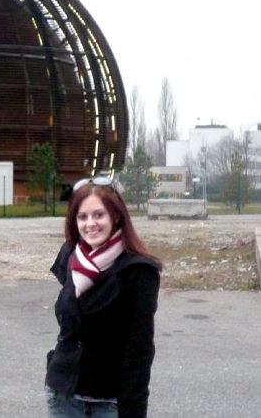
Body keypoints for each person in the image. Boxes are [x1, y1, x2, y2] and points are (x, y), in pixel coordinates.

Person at [45, 177, 162, 418]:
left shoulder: (138, 270)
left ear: (116, 216)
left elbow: (139, 350)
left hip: (110, 403)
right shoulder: (70, 255)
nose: (90, 224)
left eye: (99, 215)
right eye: (82, 217)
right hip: (64, 397)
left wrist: (134, 412)